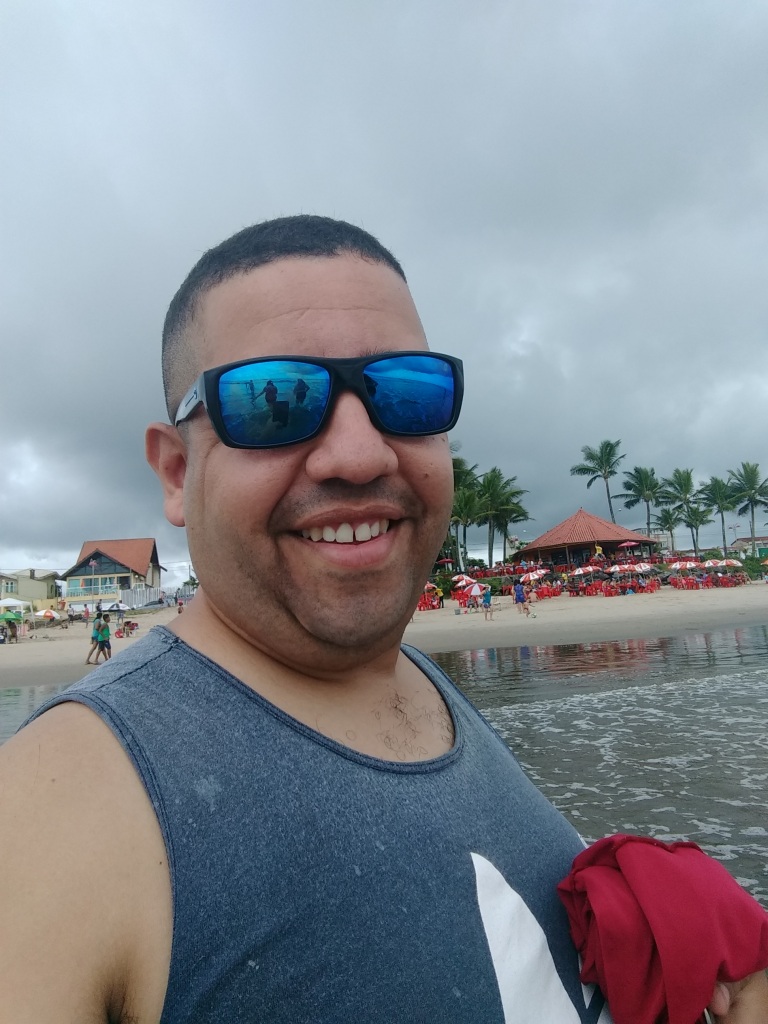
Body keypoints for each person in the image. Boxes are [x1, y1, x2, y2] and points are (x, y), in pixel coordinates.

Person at [0, 216, 764, 1023]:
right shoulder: (61, 809)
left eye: (407, 394)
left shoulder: (417, 682)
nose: (361, 454)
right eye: (273, 402)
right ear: (177, 470)